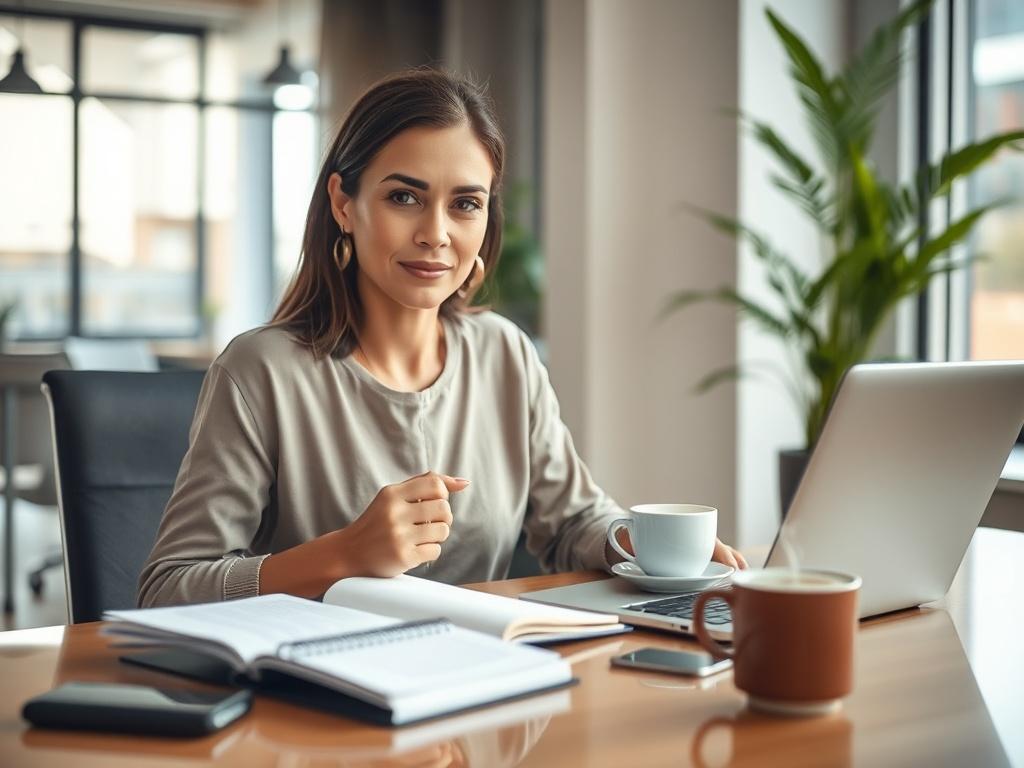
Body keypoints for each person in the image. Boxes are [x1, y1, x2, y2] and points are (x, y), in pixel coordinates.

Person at [137, 68, 746, 608]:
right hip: (313, 708)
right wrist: (343, 555)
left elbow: (573, 522)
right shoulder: (261, 369)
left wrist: (632, 540)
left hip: (477, 697)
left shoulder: (505, 353)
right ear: (344, 204)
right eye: (405, 197)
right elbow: (168, 587)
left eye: (465, 204)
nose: (436, 234)